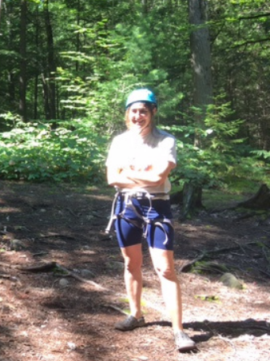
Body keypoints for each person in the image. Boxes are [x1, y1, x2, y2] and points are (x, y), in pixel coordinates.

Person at [105, 88, 196, 352]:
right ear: (127, 113)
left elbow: (158, 178)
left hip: (157, 207)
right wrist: (140, 174)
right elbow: (112, 178)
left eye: (143, 111)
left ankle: (178, 330)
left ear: (153, 112)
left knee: (165, 268)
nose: (138, 116)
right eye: (133, 110)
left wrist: (128, 172)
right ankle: (136, 314)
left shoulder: (165, 141)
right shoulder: (119, 141)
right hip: (127, 206)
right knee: (131, 262)